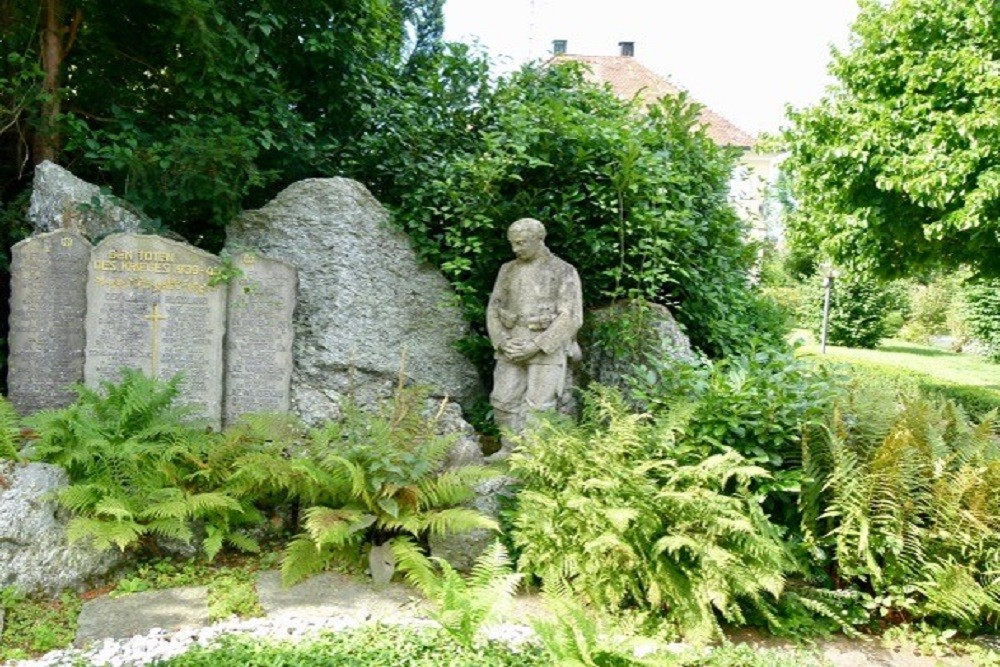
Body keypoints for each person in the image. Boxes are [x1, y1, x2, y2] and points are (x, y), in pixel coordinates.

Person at [487, 218, 582, 453]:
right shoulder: (507, 270)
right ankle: (508, 450)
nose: (515, 249)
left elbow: (570, 316)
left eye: (521, 243)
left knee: (539, 406)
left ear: (539, 240)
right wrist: (501, 342)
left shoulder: (563, 270)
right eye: (512, 244)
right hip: (511, 344)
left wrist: (536, 345)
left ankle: (532, 457)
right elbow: (493, 308)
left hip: (545, 346)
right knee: (502, 401)